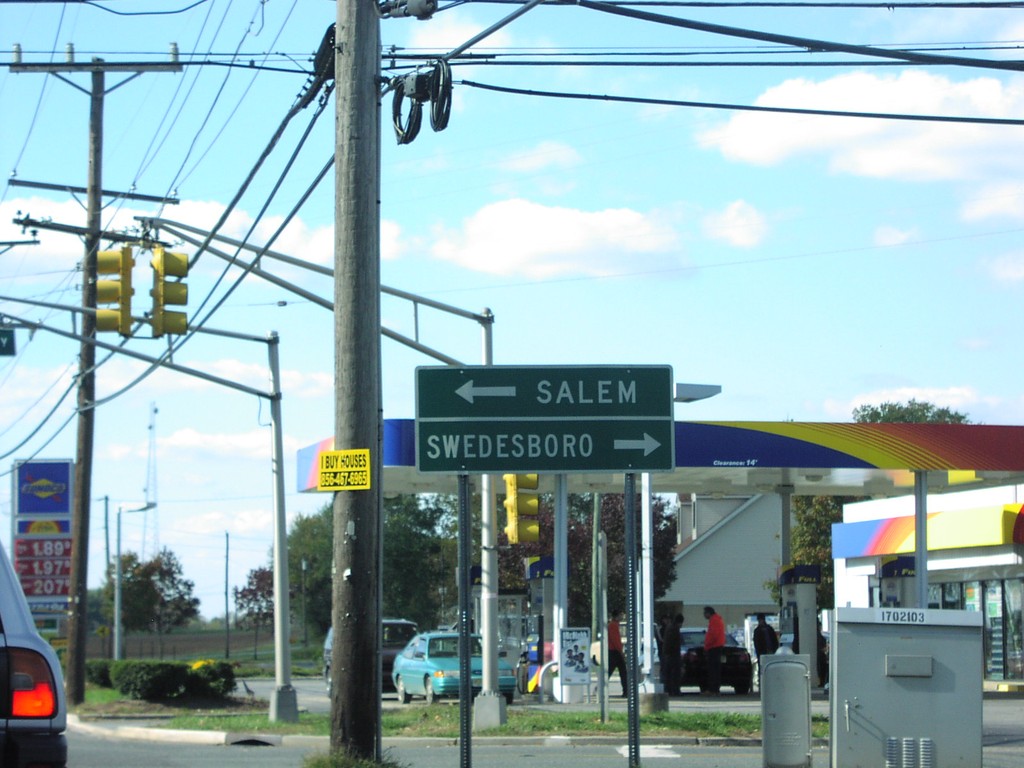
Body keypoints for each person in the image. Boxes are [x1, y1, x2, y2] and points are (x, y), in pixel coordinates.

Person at [752, 613, 779, 691]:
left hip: (766, 652)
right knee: (764, 668)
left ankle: (766, 684)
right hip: (764, 652)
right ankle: (764, 684)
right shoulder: (768, 629)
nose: (760, 621)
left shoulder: (760, 630)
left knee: (766, 668)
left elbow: (756, 642)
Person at [703, 605, 726, 695]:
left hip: (714, 647)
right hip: (716, 647)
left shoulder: (714, 620)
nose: (704, 615)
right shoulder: (717, 619)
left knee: (713, 670)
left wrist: (706, 646)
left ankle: (713, 689)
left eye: (705, 613)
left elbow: (713, 635)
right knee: (715, 670)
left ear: (708, 613)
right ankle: (714, 689)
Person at [661, 613, 683, 695]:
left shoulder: (669, 627)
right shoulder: (674, 629)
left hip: (667, 655)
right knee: (675, 674)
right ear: (680, 622)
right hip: (672, 655)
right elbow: (674, 644)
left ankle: (669, 690)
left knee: (668, 674)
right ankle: (675, 691)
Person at [607, 610, 627, 696]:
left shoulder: (613, 625)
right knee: (621, 672)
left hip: (614, 651)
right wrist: (621, 651)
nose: (622, 617)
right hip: (614, 652)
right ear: (616, 616)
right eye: (620, 615)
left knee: (622, 672)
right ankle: (626, 691)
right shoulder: (613, 625)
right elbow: (615, 640)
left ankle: (626, 691)